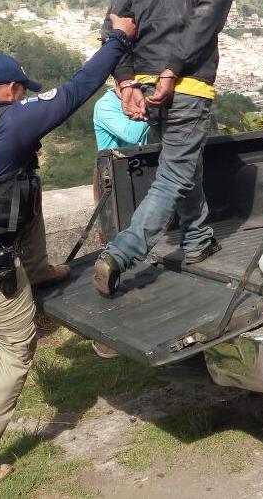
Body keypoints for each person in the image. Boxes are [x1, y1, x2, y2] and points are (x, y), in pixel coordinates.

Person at [0, 16, 136, 486]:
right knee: (17, 346)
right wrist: (118, 40)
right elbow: (78, 88)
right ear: (12, 88)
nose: (24, 96)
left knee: (23, 181)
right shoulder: (12, 120)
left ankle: (37, 270)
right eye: (22, 90)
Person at [93, 0, 236, 297]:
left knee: (184, 164)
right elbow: (202, 25)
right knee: (175, 174)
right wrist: (171, 72)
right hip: (187, 87)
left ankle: (197, 241)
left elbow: (112, 31)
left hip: (145, 89)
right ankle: (121, 254)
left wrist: (125, 83)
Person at [90, 87, 149, 358]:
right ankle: (108, 336)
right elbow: (133, 134)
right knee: (115, 246)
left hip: (138, 172)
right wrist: (149, 109)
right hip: (113, 180)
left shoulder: (134, 100)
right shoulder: (106, 106)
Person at [93, 86, 149, 150]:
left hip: (142, 156)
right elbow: (131, 135)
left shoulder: (139, 99)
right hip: (116, 159)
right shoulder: (105, 105)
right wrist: (152, 109)